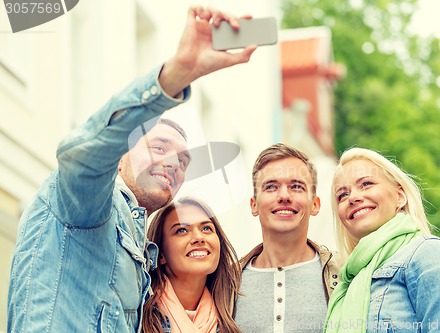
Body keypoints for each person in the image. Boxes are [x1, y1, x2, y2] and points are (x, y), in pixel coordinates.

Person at [7, 6, 256, 333]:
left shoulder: (139, 249)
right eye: (158, 147)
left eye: (183, 161)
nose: (173, 164)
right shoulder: (90, 203)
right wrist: (175, 75)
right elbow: (81, 155)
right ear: (119, 155)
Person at [324, 147, 440, 333]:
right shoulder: (347, 281)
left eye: (366, 184)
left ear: (400, 197)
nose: (353, 198)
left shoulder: (430, 255)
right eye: (342, 195)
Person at [234, 143, 340, 333]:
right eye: (271, 187)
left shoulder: (344, 274)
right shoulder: (226, 282)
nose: (284, 196)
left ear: (315, 204)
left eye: (296, 186)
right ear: (254, 205)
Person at [143, 196, 240, 333]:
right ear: (160, 254)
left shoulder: (235, 314)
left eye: (206, 228)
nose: (199, 238)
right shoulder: (137, 315)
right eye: (181, 230)